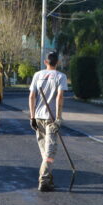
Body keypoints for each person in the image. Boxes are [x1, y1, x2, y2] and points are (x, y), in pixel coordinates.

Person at [28, 50, 67, 192]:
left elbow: (31, 96)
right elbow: (59, 97)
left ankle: (49, 179)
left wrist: (32, 117)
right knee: (50, 153)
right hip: (51, 119)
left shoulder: (37, 75)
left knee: (45, 152)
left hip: (38, 118)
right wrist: (58, 118)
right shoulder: (60, 76)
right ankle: (44, 180)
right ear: (58, 62)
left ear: (45, 62)